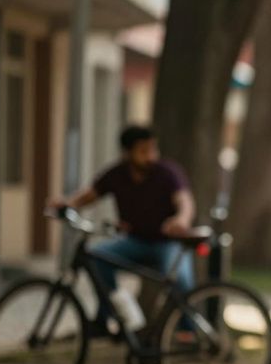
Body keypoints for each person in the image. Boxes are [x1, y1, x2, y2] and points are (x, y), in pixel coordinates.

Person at [52, 125, 196, 334]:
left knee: (181, 279)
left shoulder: (167, 172)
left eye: (153, 150)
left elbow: (184, 200)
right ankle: (110, 316)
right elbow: (89, 195)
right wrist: (66, 204)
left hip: (167, 242)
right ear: (127, 153)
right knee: (97, 258)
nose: (150, 157)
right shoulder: (116, 174)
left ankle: (188, 332)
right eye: (143, 151)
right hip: (135, 241)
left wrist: (181, 219)